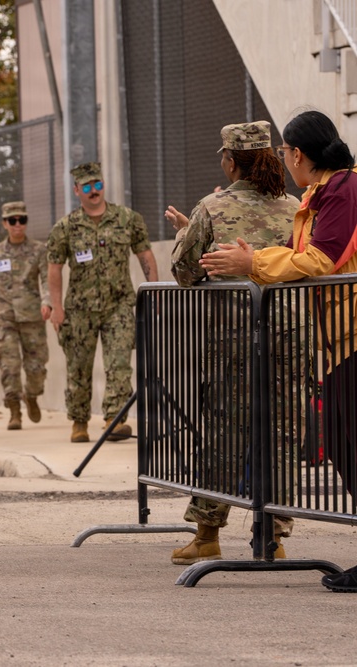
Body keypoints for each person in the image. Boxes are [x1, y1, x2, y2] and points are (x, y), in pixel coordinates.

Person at [198, 110, 357, 591]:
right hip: (338, 339)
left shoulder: (345, 189)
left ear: (297, 154)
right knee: (345, 443)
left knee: (349, 442)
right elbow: (290, 251)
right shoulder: (316, 195)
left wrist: (252, 261)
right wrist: (248, 260)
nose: (285, 160)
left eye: (287, 152)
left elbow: (323, 259)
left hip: (353, 335)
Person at [165, 120, 299, 565]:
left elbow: (185, 271)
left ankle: (207, 534)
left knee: (225, 429)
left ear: (229, 161)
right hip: (292, 334)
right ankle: (273, 538)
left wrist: (189, 232)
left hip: (235, 337)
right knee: (281, 433)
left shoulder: (213, 206)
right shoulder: (295, 207)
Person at [47, 162, 158, 443]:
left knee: (119, 363)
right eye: (87, 186)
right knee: (79, 368)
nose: (94, 191)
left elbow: (144, 255)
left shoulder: (127, 219)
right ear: (77, 190)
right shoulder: (65, 227)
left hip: (119, 304)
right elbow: (54, 268)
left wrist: (153, 293)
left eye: (97, 184)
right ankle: (79, 421)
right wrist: (57, 307)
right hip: (79, 309)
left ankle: (115, 418)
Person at [0, 200, 51, 429]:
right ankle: (14, 411)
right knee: (9, 367)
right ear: (4, 223)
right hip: (5, 318)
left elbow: (46, 278)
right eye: (12, 220)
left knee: (36, 368)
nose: (17, 224)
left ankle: (31, 396)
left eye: (21, 220)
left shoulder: (39, 250)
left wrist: (47, 302)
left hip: (32, 316)